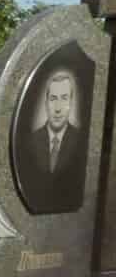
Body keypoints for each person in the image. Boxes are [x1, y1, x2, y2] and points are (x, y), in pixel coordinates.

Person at [15, 62, 87, 212]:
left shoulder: (82, 142)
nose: (58, 108)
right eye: (53, 99)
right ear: (46, 102)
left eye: (64, 98)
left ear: (70, 102)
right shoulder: (30, 141)